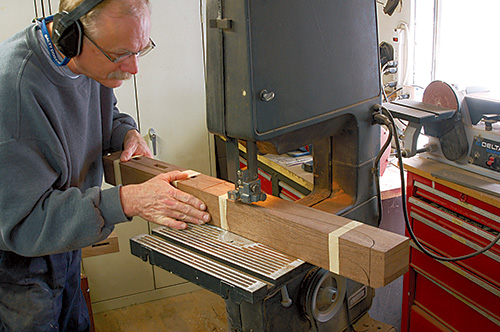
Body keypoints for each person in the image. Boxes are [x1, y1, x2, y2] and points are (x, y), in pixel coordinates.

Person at [0, 0, 211, 330]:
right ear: (72, 38)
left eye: (141, 50)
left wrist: (126, 133)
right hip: (19, 265)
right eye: (120, 54)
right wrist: (129, 201)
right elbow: (24, 223)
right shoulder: (11, 91)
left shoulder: (88, 63)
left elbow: (104, 116)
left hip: (66, 240)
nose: (134, 67)